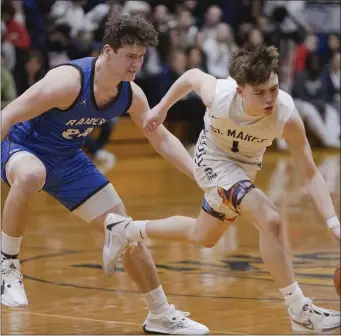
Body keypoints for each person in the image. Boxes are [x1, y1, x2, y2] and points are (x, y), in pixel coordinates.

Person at [105, 45, 341, 333]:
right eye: (260, 92)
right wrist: (161, 108)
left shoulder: (286, 115)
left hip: (244, 168)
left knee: (203, 236)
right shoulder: (219, 95)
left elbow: (310, 173)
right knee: (271, 220)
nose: (269, 98)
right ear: (240, 90)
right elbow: (191, 76)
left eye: (274, 89)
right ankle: (299, 309)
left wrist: (332, 221)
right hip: (211, 160)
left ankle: (125, 230)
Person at [0, 14, 208, 335]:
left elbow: (162, 138)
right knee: (31, 175)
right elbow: (8, 115)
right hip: (22, 147)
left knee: (126, 233)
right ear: (107, 51)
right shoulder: (68, 82)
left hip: (69, 161)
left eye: (141, 57)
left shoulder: (130, 94)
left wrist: (201, 176)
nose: (135, 64)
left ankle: (160, 314)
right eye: (129, 56)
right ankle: (7, 266)